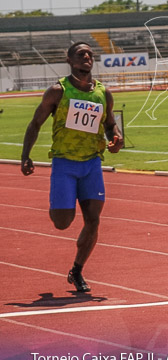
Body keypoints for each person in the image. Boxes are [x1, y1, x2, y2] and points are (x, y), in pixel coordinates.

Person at [21, 42, 124, 293]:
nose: (86, 57)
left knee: (93, 220)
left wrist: (116, 137)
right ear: (69, 60)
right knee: (62, 222)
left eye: (89, 54)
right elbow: (35, 123)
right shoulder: (58, 91)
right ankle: (60, 201)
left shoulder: (103, 93)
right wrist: (25, 155)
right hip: (64, 163)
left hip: (91, 164)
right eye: (80, 54)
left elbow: (111, 124)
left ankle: (77, 270)